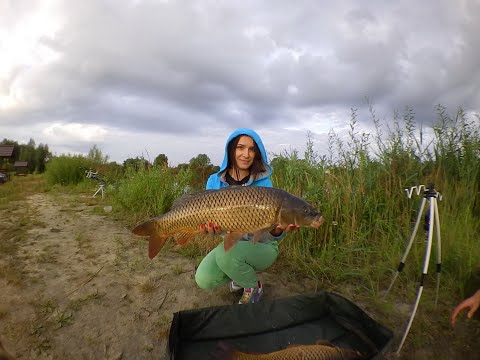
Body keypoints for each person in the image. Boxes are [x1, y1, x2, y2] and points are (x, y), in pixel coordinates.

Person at [194, 128, 298, 304]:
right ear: (231, 150)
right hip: (233, 243)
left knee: (225, 255)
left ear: (257, 153)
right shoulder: (214, 181)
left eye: (251, 149)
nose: (246, 154)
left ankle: (253, 286)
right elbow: (215, 229)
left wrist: (278, 229)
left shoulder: (264, 183)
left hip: (262, 245)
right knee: (204, 278)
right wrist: (209, 230)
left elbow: (270, 234)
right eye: (240, 147)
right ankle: (240, 275)